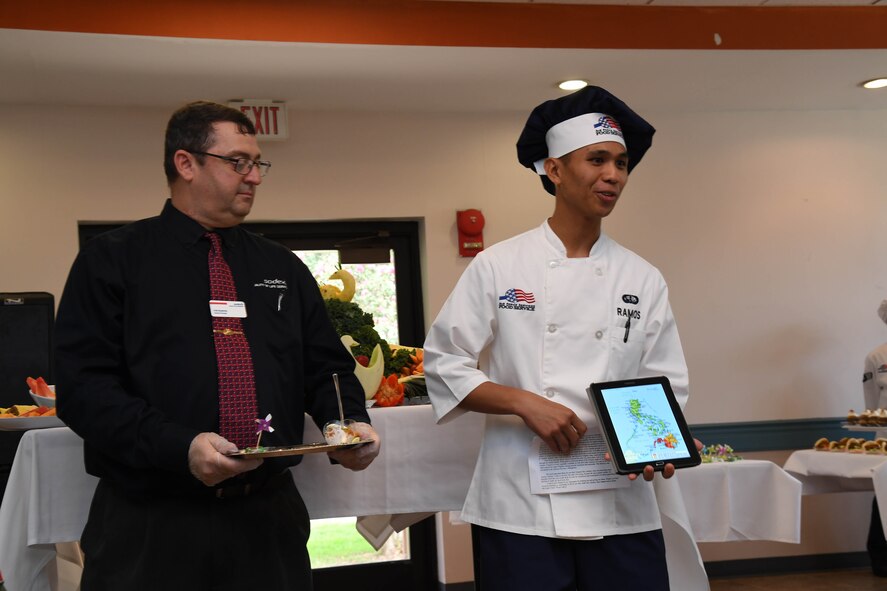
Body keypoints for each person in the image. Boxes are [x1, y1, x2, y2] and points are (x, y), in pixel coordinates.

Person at [55, 100, 380, 591]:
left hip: (267, 520)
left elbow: (326, 368)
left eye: (258, 163)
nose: (254, 177)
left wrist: (346, 423)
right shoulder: (112, 262)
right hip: (150, 522)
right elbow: (84, 390)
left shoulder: (282, 269)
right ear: (186, 164)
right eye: (238, 162)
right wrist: (180, 446)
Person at [424, 86, 689, 591]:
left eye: (621, 162)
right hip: (519, 503)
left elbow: (664, 380)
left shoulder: (642, 277)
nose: (613, 175)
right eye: (597, 159)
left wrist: (660, 440)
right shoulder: (500, 264)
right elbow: (443, 361)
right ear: (555, 169)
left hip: (618, 499)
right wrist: (525, 402)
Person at [864, 299, 887, 577]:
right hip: (885, 439)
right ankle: (880, 558)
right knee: (883, 495)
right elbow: (871, 404)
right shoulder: (876, 357)